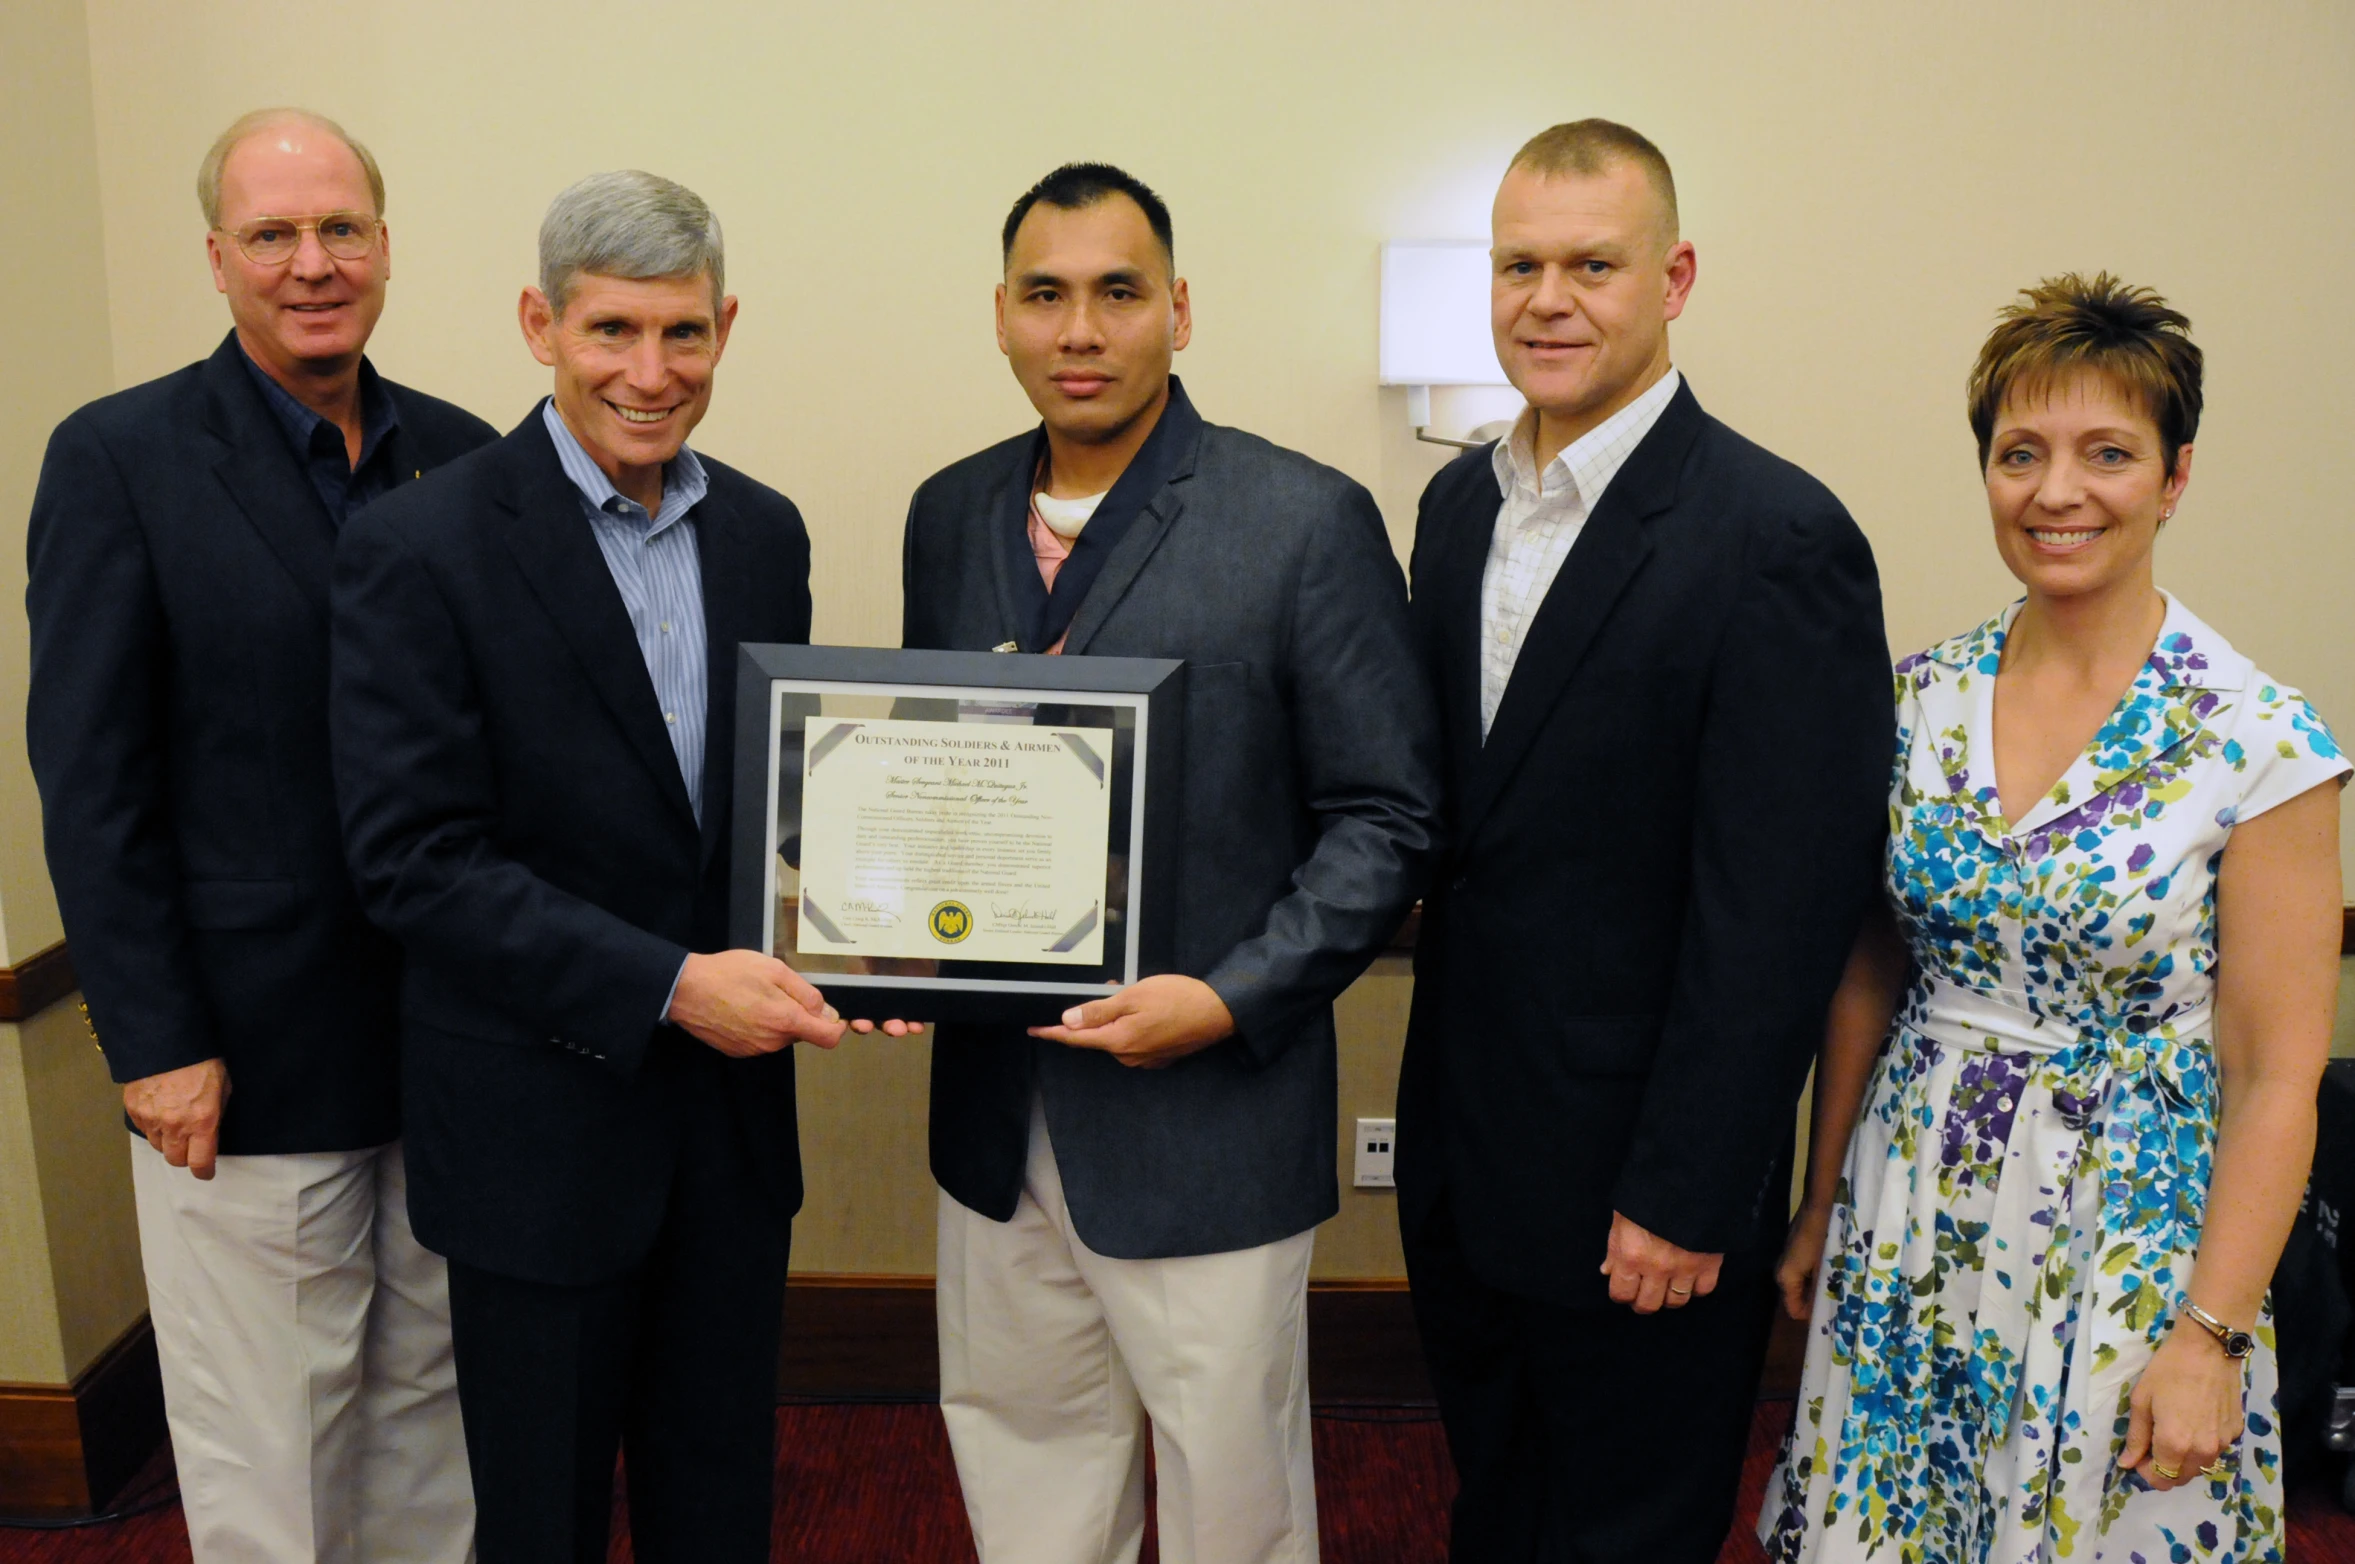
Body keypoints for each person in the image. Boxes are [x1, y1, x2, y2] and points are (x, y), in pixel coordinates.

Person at [902, 162, 1442, 1564]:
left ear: (1178, 313)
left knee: (1231, 1501)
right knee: (1022, 1465)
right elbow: (928, 780)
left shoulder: (1300, 517)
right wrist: (883, 939)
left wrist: (1227, 997)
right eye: (1046, 295)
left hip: (1206, 1114)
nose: (1080, 329)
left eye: (1117, 293)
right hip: (998, 1109)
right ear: (1003, 318)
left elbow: (1385, 818)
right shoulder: (948, 512)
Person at [1762, 275, 2347, 1564]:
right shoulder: (1918, 696)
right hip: (1913, 1200)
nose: (2057, 491)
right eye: (2020, 453)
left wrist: (2211, 1339)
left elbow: (2275, 1075)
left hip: (2135, 1238)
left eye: (2109, 454)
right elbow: (1870, 972)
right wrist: (1820, 1207)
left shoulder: (2258, 739)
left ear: (2176, 476)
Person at [1394, 118, 1893, 1562]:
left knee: (1624, 1535)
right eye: (1517, 265)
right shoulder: (1450, 508)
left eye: (1590, 265)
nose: (1546, 299)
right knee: (1495, 1510)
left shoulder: (1774, 536)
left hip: (1643, 1191)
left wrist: (1683, 1189)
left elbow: (1779, 915)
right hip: (1467, 1156)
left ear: (1671, 276)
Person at [329, 170, 845, 1564]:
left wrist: (874, 933)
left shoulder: (762, 531)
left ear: (725, 327)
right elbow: (415, 863)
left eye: (682, 333)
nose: (649, 371)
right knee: (540, 1516)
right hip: (534, 1138)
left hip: (728, 1142)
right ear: (537, 326)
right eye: (611, 330)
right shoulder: (417, 549)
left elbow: (761, 818)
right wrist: (674, 986)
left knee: (719, 1495)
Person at [23, 107, 493, 1563]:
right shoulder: (120, 459)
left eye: (340, 228)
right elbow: (89, 775)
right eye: (274, 234)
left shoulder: (467, 459)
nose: (312, 263)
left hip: (448, 1041)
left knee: (430, 1416)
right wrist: (154, 1042)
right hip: (240, 1061)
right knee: (269, 1450)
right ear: (217, 257)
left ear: (387, 248)